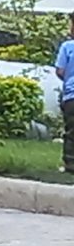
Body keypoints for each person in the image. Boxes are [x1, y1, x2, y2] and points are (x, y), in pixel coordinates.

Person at [56, 15, 74, 175]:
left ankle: (70, 164)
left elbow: (60, 70)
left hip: (71, 96)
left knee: (70, 130)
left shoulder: (67, 47)